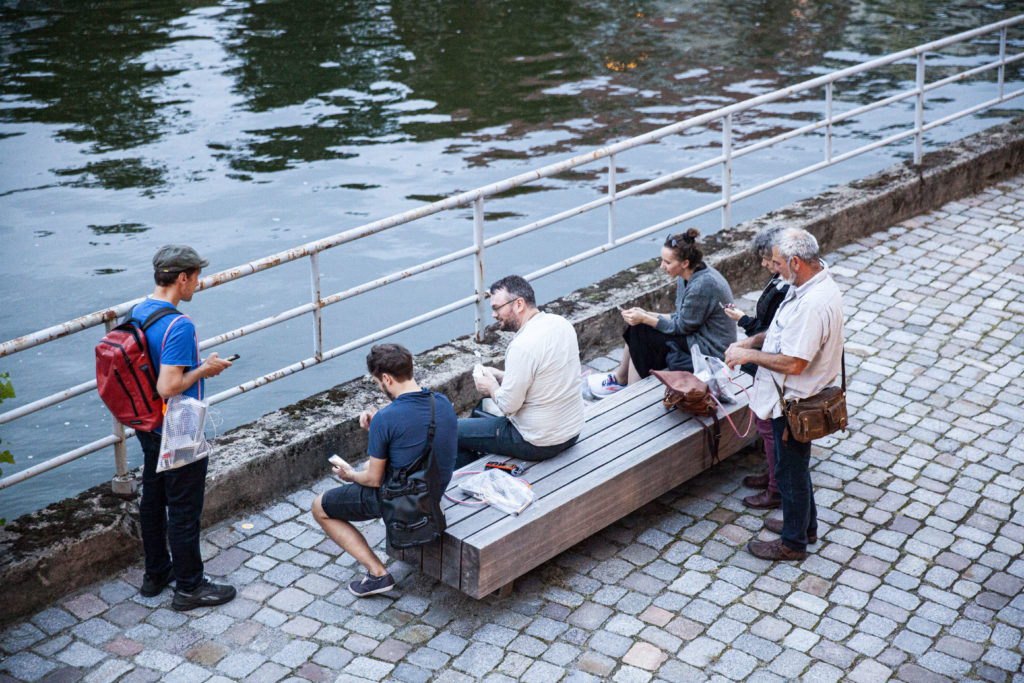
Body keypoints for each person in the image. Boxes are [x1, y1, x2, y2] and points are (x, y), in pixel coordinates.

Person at [724, 228, 844, 561]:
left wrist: (748, 355)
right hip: (790, 398)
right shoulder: (808, 285)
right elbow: (781, 335)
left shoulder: (812, 304)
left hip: (793, 402)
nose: (774, 268)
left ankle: (793, 543)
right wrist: (750, 341)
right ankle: (806, 525)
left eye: (777, 263)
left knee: (790, 473)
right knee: (796, 469)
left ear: (795, 261)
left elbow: (794, 361)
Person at [134, 244, 236, 611]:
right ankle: (190, 587)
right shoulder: (179, 325)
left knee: (153, 497)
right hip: (176, 425)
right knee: (183, 507)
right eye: (196, 277)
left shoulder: (141, 310)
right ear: (182, 278)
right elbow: (169, 386)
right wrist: (205, 370)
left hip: (146, 422)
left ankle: (156, 574)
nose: (199, 283)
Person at [312, 343, 457, 596]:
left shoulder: (385, 419)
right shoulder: (441, 402)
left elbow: (373, 479)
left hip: (404, 500)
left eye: (378, 382)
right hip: (435, 488)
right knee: (372, 463)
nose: (380, 387)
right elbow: (413, 437)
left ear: (387, 379)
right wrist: (379, 430)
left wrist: (349, 475)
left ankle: (378, 574)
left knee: (319, 506)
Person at [588, 228, 737, 397]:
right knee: (640, 325)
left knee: (641, 330)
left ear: (685, 263)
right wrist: (646, 314)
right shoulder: (687, 275)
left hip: (711, 350)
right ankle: (620, 379)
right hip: (697, 335)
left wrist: (645, 318)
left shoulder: (703, 284)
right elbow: (682, 317)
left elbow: (681, 327)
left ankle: (630, 393)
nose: (662, 266)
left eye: (667, 262)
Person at [455, 275, 584, 468]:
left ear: (519, 304)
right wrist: (501, 376)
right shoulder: (560, 324)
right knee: (479, 417)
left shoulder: (521, 346)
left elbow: (508, 406)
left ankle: (471, 476)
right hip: (571, 432)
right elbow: (543, 378)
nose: (493, 315)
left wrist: (490, 386)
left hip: (537, 442)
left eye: (497, 308)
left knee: (449, 431)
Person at [722, 226, 789, 510]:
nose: (764, 265)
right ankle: (775, 476)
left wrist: (745, 327)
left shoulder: (788, 286)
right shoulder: (781, 279)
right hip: (766, 359)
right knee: (766, 424)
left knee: (769, 424)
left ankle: (777, 488)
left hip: (773, 365)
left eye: (768, 260)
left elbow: (772, 331)